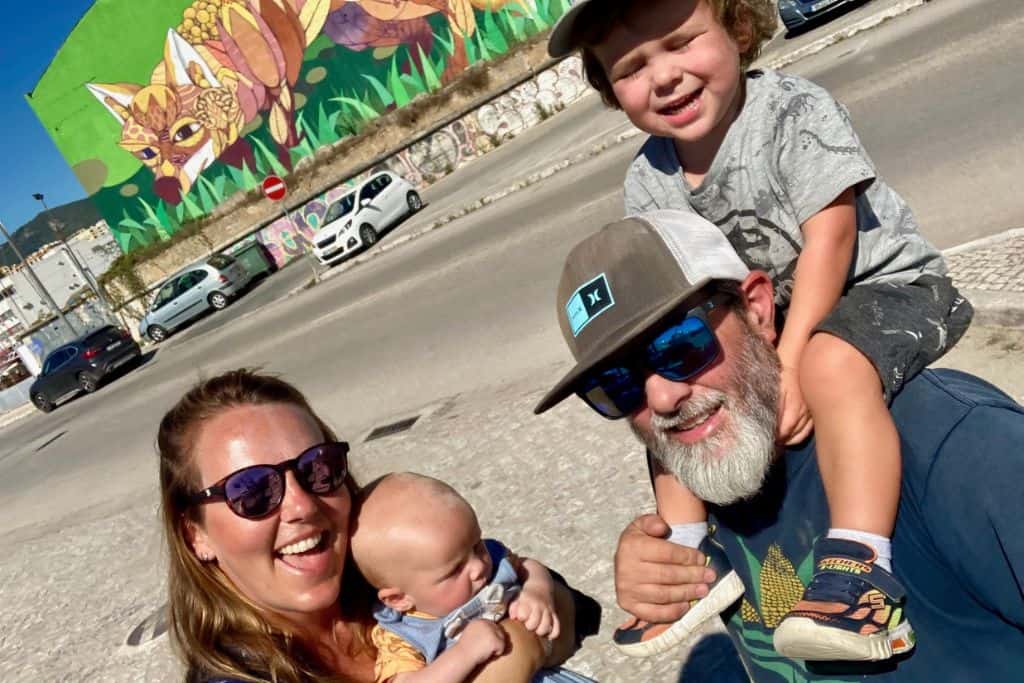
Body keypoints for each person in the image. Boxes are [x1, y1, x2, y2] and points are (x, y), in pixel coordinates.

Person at [544, 0, 973, 661]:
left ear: (736, 27)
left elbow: (830, 236)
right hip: (773, 312)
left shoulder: (792, 112)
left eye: (682, 42)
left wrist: (794, 359)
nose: (664, 76)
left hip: (887, 290)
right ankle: (692, 559)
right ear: (608, 87)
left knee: (831, 365)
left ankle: (861, 574)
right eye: (631, 67)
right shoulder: (648, 178)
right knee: (664, 390)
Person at [534, 210, 1024, 680]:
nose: (661, 398)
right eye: (616, 385)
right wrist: (659, 567)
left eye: (680, 348)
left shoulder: (956, 445)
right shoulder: (701, 478)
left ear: (758, 309)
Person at [158, 368, 596, 683]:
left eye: (318, 467)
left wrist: (520, 641)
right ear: (195, 535)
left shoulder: (382, 563)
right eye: (252, 491)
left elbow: (567, 607)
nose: (302, 505)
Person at [350, 472, 595, 683]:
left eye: (477, 545)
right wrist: (466, 652)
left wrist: (537, 591)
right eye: (455, 570)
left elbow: (525, 565)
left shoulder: (491, 564)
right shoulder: (404, 635)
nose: (478, 566)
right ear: (399, 599)